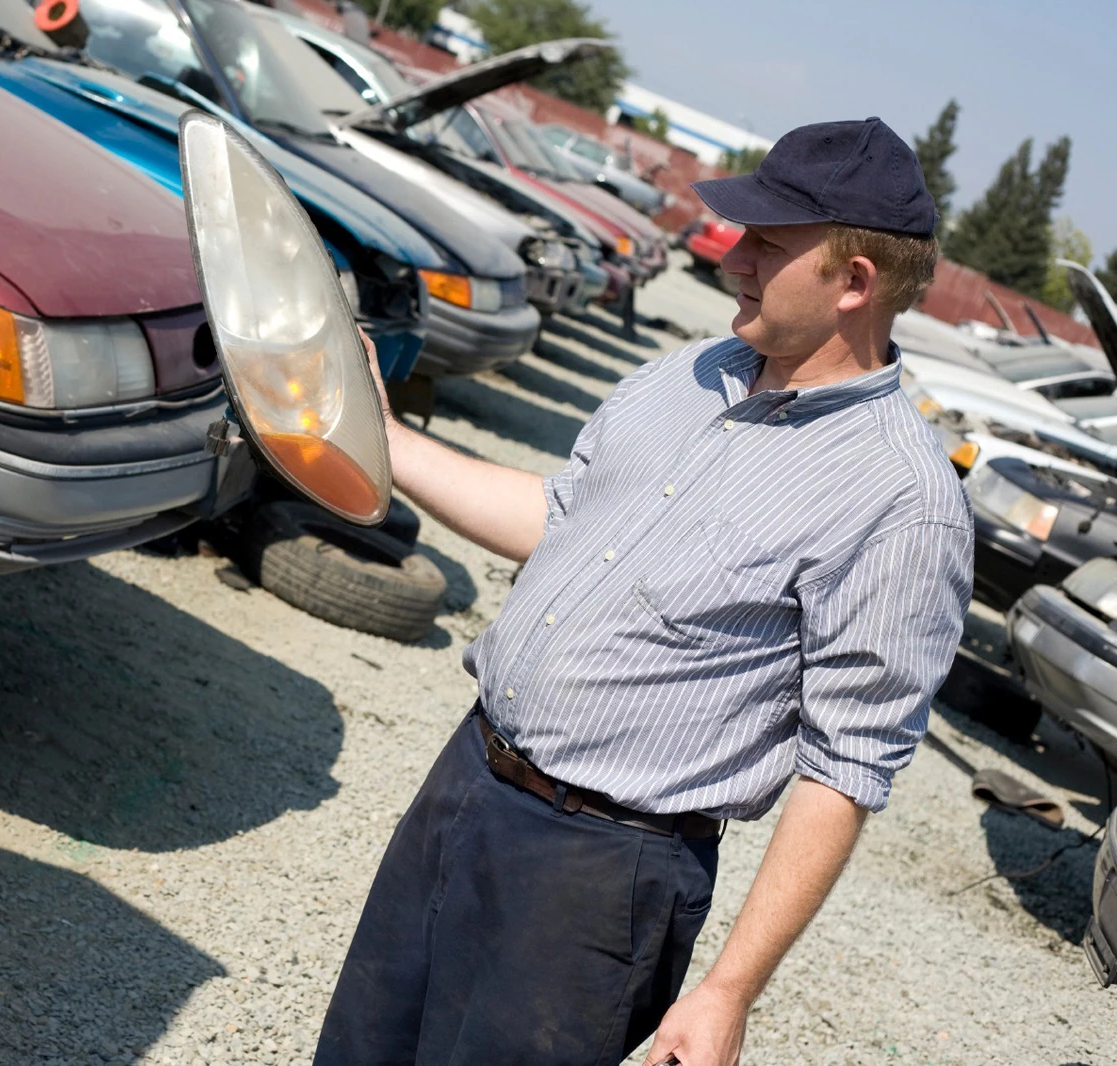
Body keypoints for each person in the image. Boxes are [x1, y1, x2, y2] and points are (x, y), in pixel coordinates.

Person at [314, 117, 974, 1066]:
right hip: (469, 783)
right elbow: (562, 516)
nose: (731, 259)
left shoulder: (902, 504)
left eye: (768, 245)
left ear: (855, 283)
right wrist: (385, 437)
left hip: (600, 877)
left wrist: (728, 991)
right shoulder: (691, 374)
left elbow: (847, 768)